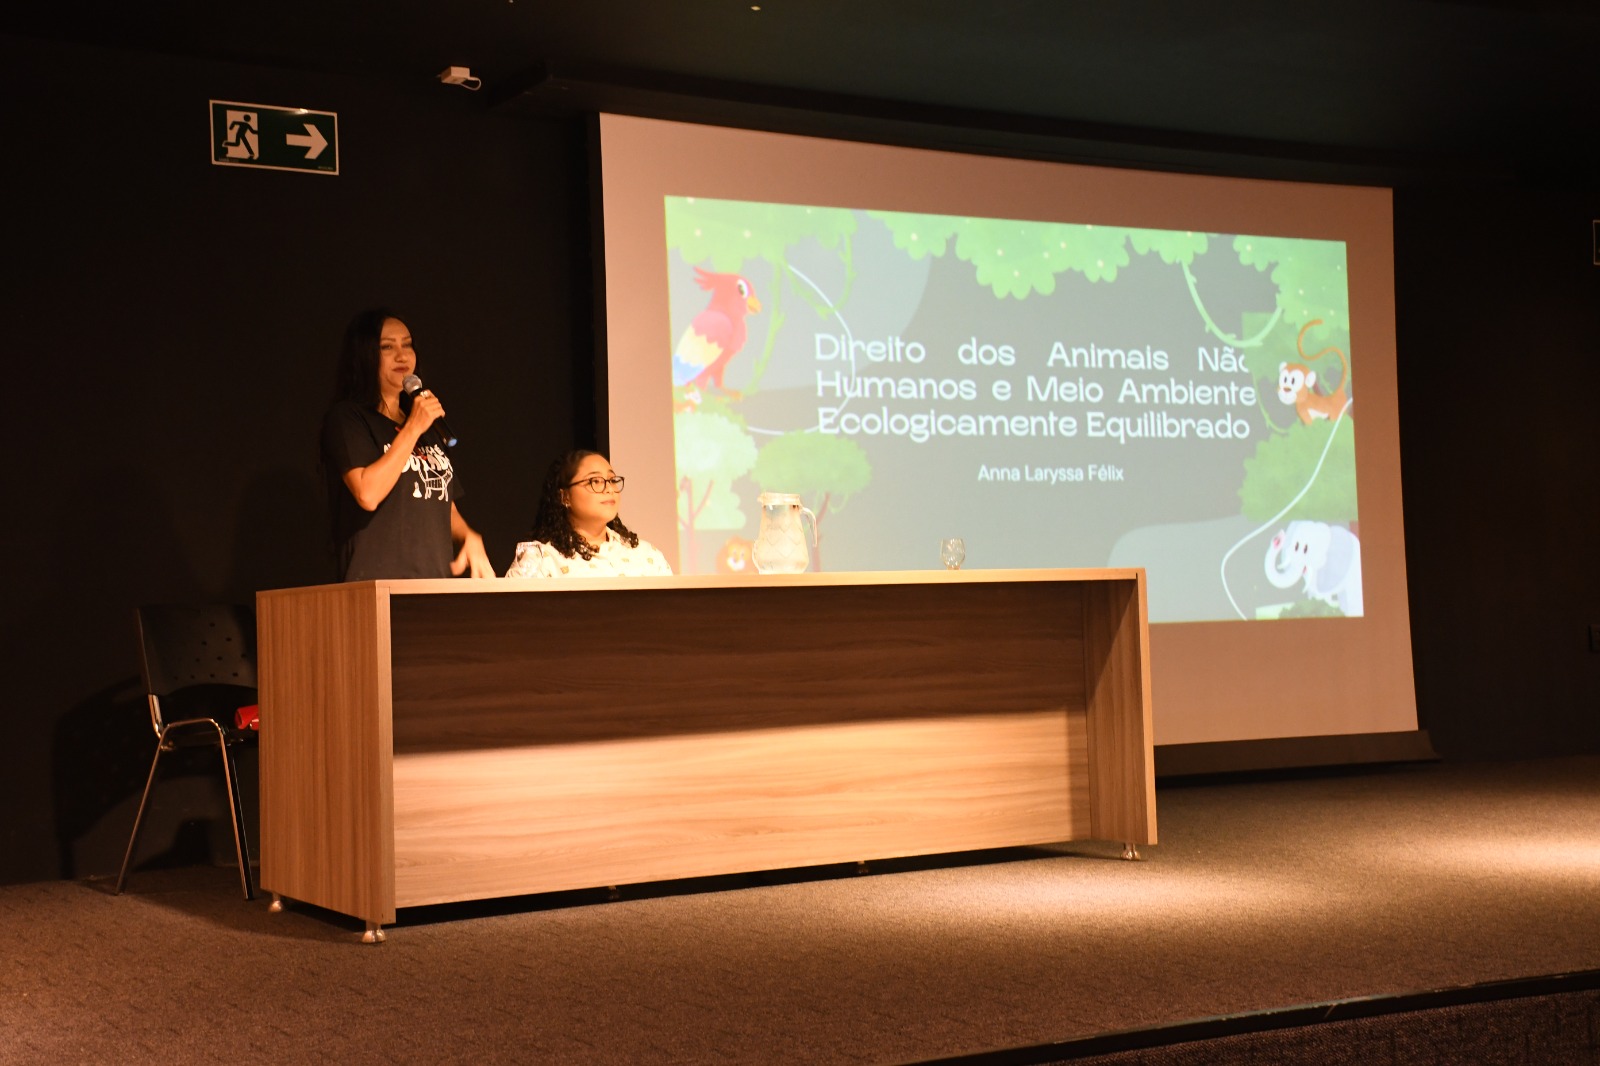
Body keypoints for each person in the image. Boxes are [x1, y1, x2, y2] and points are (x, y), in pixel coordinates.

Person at [320, 308, 494, 581]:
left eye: (407, 344)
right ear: (364, 355)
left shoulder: (424, 425)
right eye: (387, 347)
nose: (402, 356)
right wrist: (413, 427)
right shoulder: (348, 418)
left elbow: (442, 503)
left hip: (433, 584)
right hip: (377, 584)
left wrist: (468, 535)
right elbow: (367, 493)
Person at [506, 450, 672, 578]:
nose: (609, 488)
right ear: (565, 497)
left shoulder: (647, 555)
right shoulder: (543, 558)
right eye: (595, 481)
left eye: (612, 480)